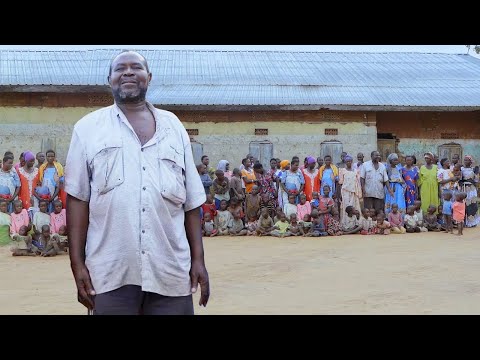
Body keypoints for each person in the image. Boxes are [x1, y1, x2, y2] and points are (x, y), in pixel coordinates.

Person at [65, 51, 209, 315]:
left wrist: (198, 260)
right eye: (120, 68)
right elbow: (77, 199)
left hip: (170, 270)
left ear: (149, 77)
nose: (128, 72)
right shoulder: (87, 129)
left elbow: (190, 202)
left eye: (136, 68)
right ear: (110, 79)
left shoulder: (174, 127)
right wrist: (77, 264)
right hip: (111, 270)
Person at [338, 154, 362, 221]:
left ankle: (355, 222)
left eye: (350, 161)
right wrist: (340, 194)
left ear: (352, 162)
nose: (349, 162)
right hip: (345, 192)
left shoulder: (356, 171)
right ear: (345, 162)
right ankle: (346, 222)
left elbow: (358, 182)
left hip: (354, 192)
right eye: (347, 161)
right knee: (346, 207)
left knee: (354, 206)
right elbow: (340, 183)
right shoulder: (342, 170)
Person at [461, 155, 480, 228]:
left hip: (471, 189)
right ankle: (464, 221)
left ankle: (472, 222)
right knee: (464, 205)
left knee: (472, 205)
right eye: (465, 160)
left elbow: (476, 180)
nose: (465, 161)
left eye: (467, 160)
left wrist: (474, 175)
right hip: (464, 188)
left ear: (470, 161)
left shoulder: (474, 169)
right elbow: (460, 179)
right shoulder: (461, 169)